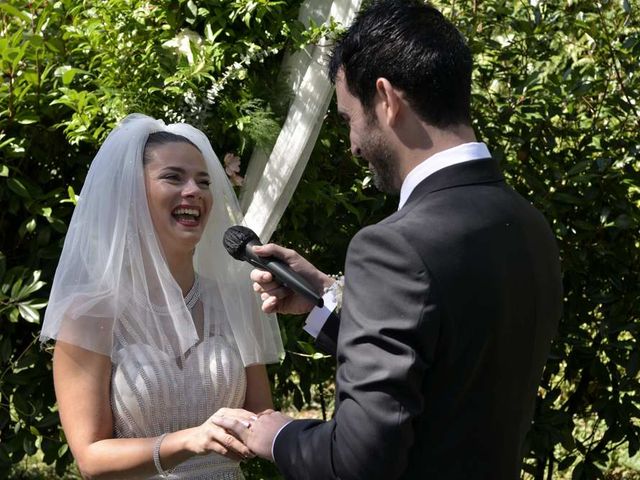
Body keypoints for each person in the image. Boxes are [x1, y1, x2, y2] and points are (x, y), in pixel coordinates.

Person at [213, 1, 563, 479]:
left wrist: (278, 435)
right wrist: (325, 303)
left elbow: (360, 462)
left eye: (348, 118)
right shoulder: (528, 223)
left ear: (386, 99)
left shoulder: (393, 247)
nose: (353, 144)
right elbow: (450, 362)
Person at [40, 114, 283, 479]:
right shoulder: (89, 315)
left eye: (204, 181)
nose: (194, 191)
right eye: (173, 177)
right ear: (132, 195)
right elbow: (90, 457)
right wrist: (188, 440)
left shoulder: (236, 301)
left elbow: (261, 417)